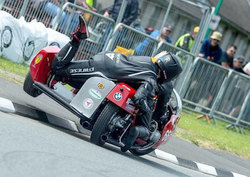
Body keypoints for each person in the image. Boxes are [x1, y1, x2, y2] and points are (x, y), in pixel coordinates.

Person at [49, 16, 183, 152]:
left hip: (104, 59)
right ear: (170, 74)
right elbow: (138, 98)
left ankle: (75, 44)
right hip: (103, 72)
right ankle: (78, 38)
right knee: (59, 69)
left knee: (62, 73)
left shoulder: (146, 60)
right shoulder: (151, 77)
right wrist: (146, 110)